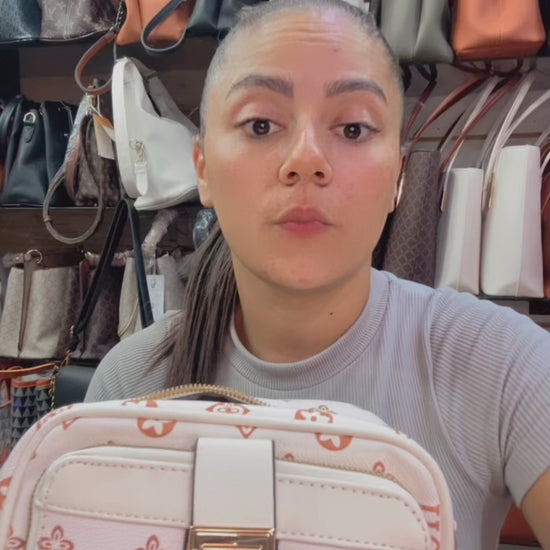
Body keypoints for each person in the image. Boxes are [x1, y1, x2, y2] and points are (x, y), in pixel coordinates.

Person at [85, 1, 550, 548]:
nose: (306, 159)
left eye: (353, 128)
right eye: (261, 125)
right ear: (203, 168)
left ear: (397, 175)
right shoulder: (131, 383)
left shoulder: (499, 363)